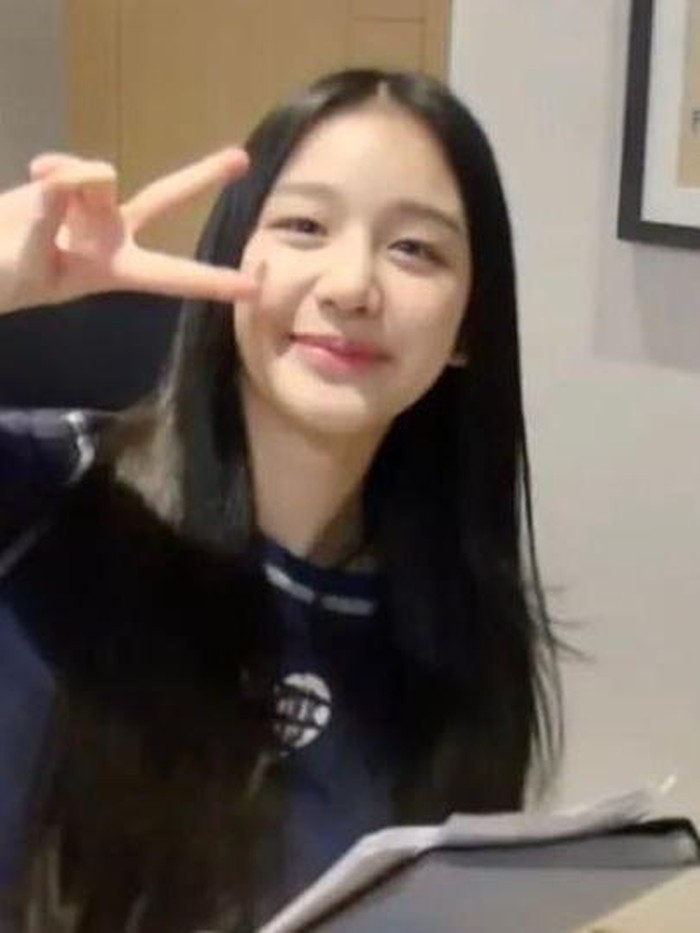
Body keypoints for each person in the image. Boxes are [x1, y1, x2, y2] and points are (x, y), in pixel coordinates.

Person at [0, 69, 561, 931]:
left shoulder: (460, 628)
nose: (352, 285)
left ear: (467, 331)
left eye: (416, 249)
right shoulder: (45, 491)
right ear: (231, 258)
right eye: (304, 226)